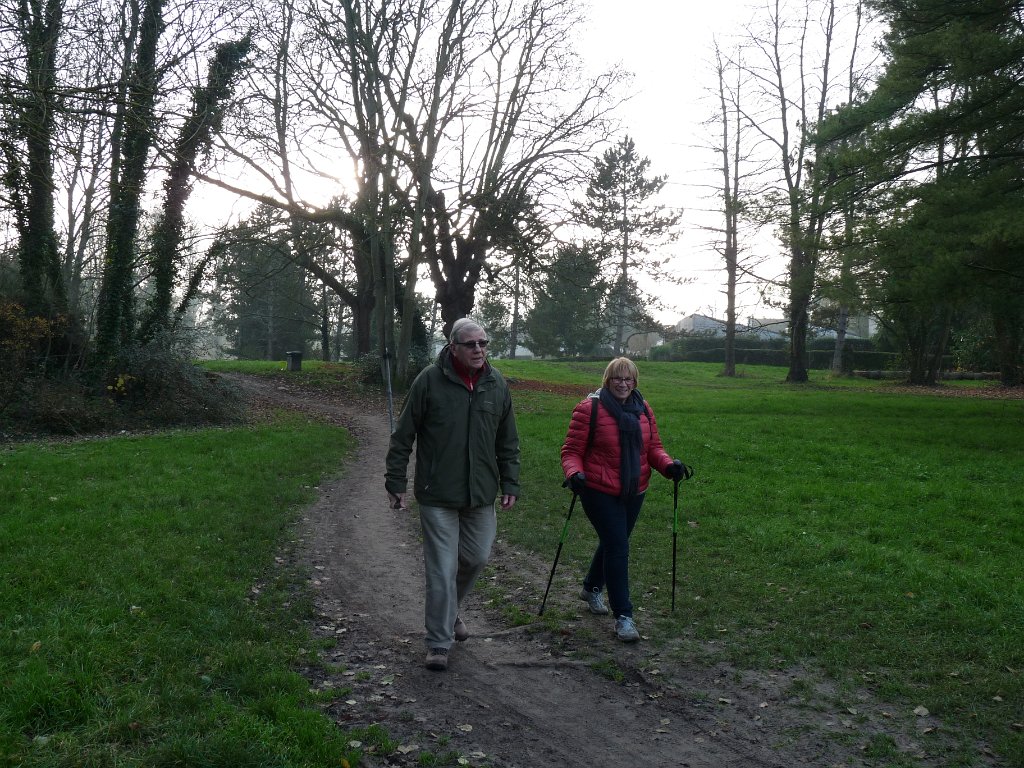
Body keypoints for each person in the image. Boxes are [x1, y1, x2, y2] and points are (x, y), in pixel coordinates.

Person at [385, 318, 521, 671]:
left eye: (483, 343)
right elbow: (403, 435)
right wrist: (396, 481)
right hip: (438, 494)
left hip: (480, 493)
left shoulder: (495, 384)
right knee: (442, 569)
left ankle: (449, 612)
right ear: (452, 348)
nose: (478, 349)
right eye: (470, 344)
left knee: (476, 559)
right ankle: (438, 642)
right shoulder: (429, 381)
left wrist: (510, 482)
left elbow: (507, 441)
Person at [560, 357, 691, 642]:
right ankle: (624, 617)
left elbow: (653, 448)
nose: (623, 384)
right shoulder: (589, 409)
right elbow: (571, 451)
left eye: (628, 379)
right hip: (598, 490)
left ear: (635, 382)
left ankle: (591, 587)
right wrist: (574, 473)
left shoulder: (643, 408)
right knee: (618, 546)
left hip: (634, 490)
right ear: (607, 380)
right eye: (617, 378)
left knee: (613, 542)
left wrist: (669, 466)